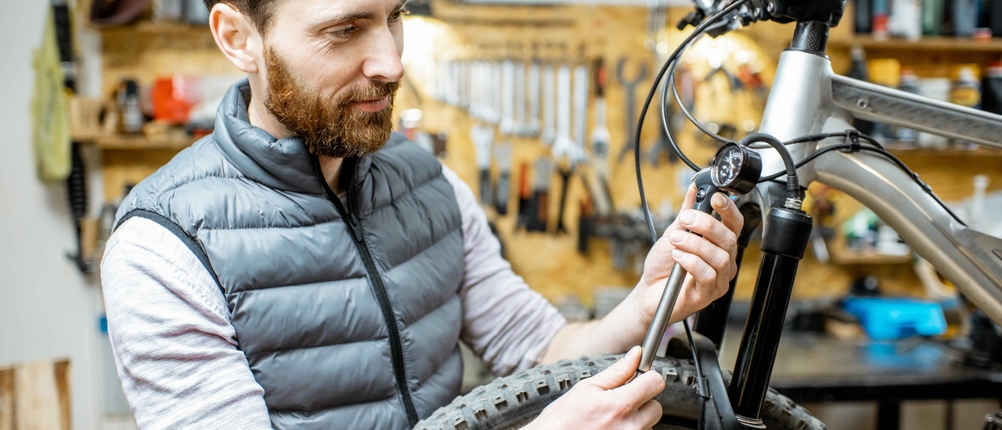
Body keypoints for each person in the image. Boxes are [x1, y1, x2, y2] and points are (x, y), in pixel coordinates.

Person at [100, 0, 744, 428]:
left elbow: (541, 351)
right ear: (238, 38)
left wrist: (647, 304)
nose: (391, 63)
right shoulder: (165, 249)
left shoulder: (431, 185)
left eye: (395, 15)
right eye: (345, 29)